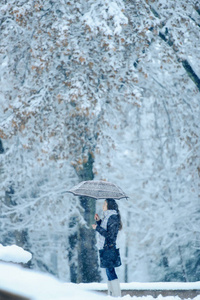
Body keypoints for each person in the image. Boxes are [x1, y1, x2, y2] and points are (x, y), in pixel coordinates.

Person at [92, 198, 122, 297]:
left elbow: (110, 235)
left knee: (110, 271)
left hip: (109, 247)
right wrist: (99, 221)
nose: (102, 206)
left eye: (104, 204)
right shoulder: (108, 217)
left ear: (109, 206)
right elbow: (106, 230)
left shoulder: (112, 217)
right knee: (109, 272)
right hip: (106, 248)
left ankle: (117, 295)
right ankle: (112, 295)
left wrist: (97, 228)